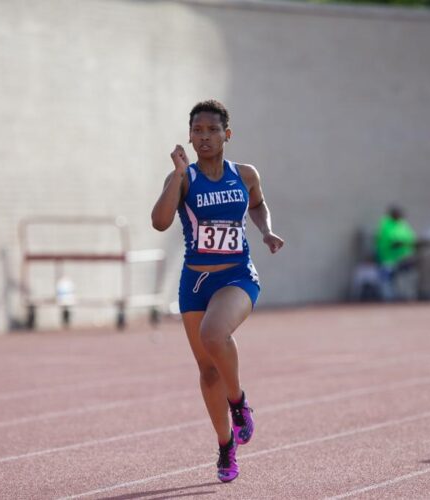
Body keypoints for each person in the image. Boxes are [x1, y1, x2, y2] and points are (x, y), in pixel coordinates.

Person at [151, 100, 284, 482]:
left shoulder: (244, 174)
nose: (204, 137)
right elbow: (160, 223)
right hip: (195, 282)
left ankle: (239, 402)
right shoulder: (184, 177)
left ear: (227, 134)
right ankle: (226, 447)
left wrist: (265, 231)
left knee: (214, 333)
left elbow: (258, 205)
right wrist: (177, 176)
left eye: (212, 130)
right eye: (197, 131)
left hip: (237, 275)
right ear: (189, 137)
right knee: (208, 371)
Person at [375, 205, 417, 301]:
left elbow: (411, 238)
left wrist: (411, 244)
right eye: (397, 213)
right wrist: (404, 243)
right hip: (388, 257)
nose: (399, 216)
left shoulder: (403, 224)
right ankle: (388, 299)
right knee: (386, 279)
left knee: (410, 275)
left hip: (404, 257)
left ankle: (408, 297)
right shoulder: (386, 224)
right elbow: (392, 242)